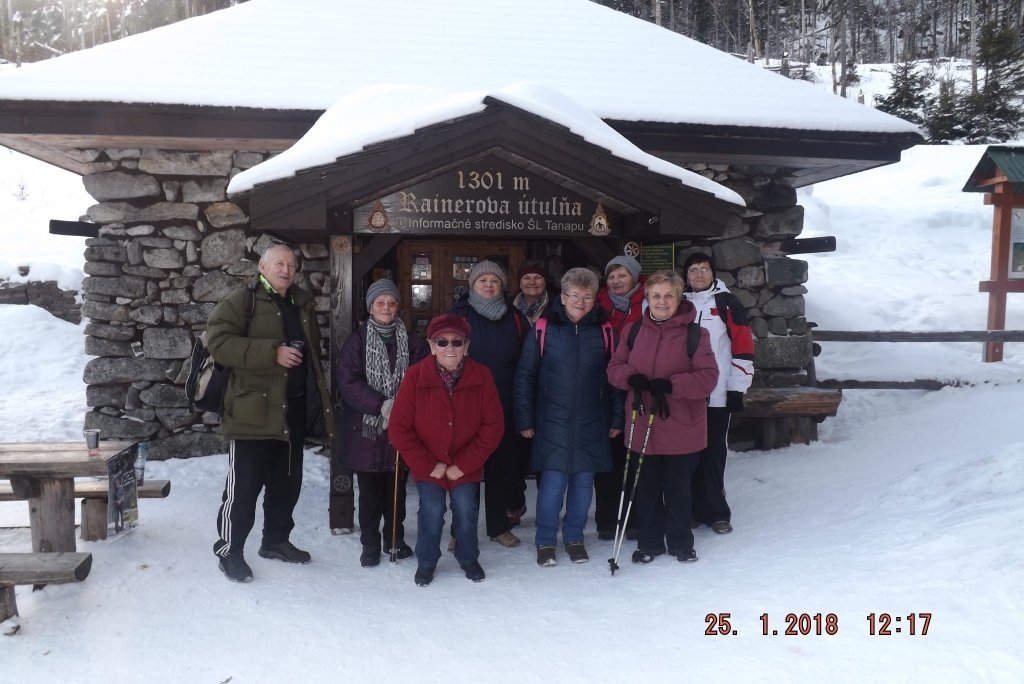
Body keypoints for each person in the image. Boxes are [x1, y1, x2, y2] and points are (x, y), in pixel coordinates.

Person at [207, 243, 335, 583]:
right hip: (251, 414)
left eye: (291, 265)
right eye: (279, 263)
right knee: (243, 491)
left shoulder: (300, 303)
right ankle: (229, 551)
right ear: (262, 267)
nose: (286, 270)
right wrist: (271, 352)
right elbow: (217, 342)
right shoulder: (243, 300)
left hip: (290, 414)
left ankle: (275, 541)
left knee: (286, 486)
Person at [607, 269, 718, 564]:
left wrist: (672, 385)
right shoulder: (633, 331)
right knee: (645, 490)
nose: (662, 301)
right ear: (647, 299)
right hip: (642, 424)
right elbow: (614, 368)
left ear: (679, 298)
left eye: (669, 295)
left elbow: (708, 377)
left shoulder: (696, 334)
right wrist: (630, 378)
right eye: (656, 295)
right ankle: (649, 543)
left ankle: (681, 543)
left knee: (678, 491)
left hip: (681, 427)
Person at [514, 268, 623, 567]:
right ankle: (545, 541)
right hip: (552, 421)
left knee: (583, 485)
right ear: (562, 297)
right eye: (575, 295)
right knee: (552, 486)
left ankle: (574, 538)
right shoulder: (543, 327)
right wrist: (524, 419)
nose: (580, 302)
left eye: (587, 297)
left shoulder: (605, 330)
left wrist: (617, 417)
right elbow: (525, 376)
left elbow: (615, 378)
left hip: (592, 420)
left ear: (594, 299)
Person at [388, 314, 504, 586]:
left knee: (465, 509)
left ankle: (468, 557)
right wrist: (429, 465)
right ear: (431, 346)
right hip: (428, 462)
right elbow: (399, 429)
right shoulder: (415, 376)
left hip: (465, 462)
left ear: (466, 346)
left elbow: (493, 426)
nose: (449, 347)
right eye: (441, 342)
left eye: (456, 341)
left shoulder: (482, 376)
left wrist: (463, 465)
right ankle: (427, 561)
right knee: (431, 509)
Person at [337, 278, 429, 567]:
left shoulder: (413, 342)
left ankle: (394, 538)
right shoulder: (357, 342)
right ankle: (370, 542)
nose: (386, 307)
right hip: (366, 429)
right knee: (369, 492)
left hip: (401, 427)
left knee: (395, 487)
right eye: (380, 303)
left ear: (398, 307)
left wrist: (401, 407)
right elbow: (348, 382)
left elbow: (423, 378)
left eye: (391, 303)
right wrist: (382, 405)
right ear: (371, 308)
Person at [450, 260, 530, 547]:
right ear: (472, 285)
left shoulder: (516, 318)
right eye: (482, 280)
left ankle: (498, 527)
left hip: (504, 405)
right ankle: (460, 532)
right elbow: (442, 359)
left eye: (494, 280)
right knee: (465, 473)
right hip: (465, 407)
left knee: (502, 471)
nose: (488, 284)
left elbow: (527, 364)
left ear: (502, 286)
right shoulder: (458, 315)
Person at [682, 253, 754, 535]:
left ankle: (716, 512)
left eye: (704, 269)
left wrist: (737, 387)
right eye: (693, 270)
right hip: (687, 394)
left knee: (713, 453)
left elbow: (743, 346)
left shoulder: (727, 303)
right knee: (687, 454)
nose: (699, 274)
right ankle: (690, 509)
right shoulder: (680, 303)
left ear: (713, 273)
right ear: (686, 276)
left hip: (718, 393)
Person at [593, 254, 647, 541]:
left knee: (636, 453)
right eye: (611, 276)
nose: (615, 281)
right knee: (608, 455)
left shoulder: (649, 304)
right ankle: (606, 519)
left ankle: (634, 517)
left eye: (622, 275)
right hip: (603, 388)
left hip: (638, 388)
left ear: (635, 277)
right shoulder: (597, 304)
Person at [512, 260, 552, 324]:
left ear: (545, 283)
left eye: (537, 278)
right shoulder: (508, 307)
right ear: (520, 284)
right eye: (527, 278)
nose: (532, 282)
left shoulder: (557, 307)